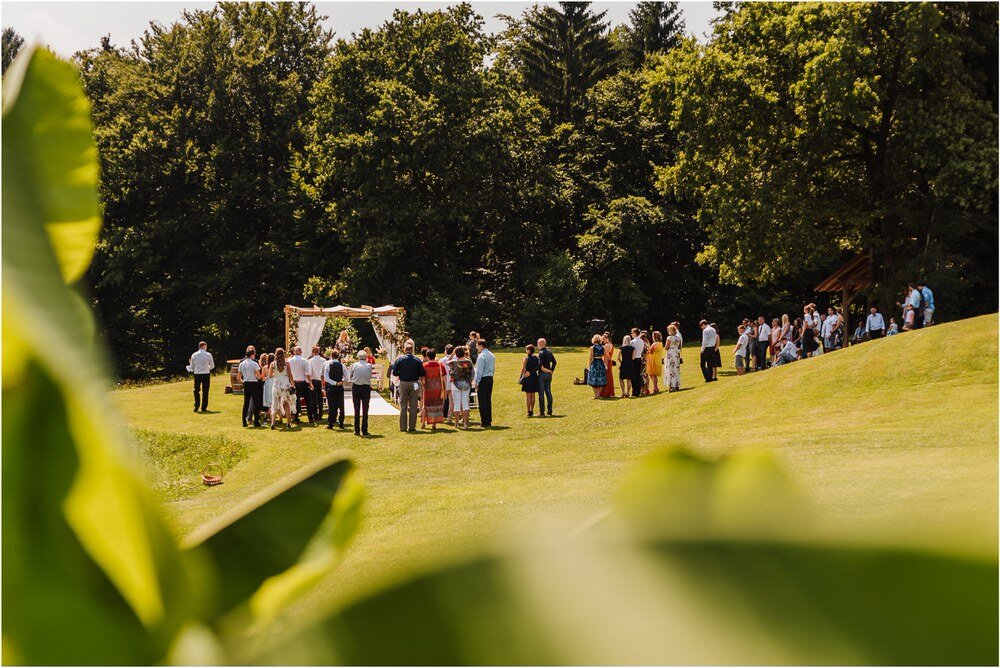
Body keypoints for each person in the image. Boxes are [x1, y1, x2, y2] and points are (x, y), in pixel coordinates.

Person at [392, 341, 426, 433]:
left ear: (404, 350)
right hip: (414, 383)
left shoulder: (400, 359)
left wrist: (401, 372)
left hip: (403, 383)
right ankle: (412, 426)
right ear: (412, 350)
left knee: (403, 405)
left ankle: (403, 427)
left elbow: (394, 372)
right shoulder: (417, 360)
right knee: (413, 405)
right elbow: (422, 373)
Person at [448, 346, 475, 429]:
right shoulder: (469, 362)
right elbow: (472, 373)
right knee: (465, 404)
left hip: (456, 384)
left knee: (456, 404)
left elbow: (447, 362)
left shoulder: (453, 362)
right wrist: (470, 380)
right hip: (466, 383)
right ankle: (466, 424)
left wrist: (452, 353)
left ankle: (456, 424)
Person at [270, 348, 296, 429]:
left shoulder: (273, 364)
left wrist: (275, 373)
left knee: (275, 403)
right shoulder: (287, 363)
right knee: (287, 403)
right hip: (285, 384)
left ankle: (272, 423)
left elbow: (270, 375)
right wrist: (293, 385)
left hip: (277, 384)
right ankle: (288, 422)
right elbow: (290, 375)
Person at [349, 349, 373, 436]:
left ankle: (356, 430)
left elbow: (350, 376)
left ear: (358, 357)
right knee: (365, 410)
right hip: (365, 388)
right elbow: (370, 376)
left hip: (356, 387)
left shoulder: (354, 365)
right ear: (365, 357)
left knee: (356, 409)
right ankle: (364, 429)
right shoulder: (369, 365)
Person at [287, 346, 313, 424]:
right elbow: (307, 373)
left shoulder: (290, 361)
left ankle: (295, 417)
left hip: (293, 382)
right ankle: (310, 417)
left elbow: (288, 373)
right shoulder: (304, 360)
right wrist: (310, 383)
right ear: (301, 352)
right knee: (308, 400)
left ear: (294, 352)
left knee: (295, 400)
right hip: (303, 382)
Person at [421, 349, 446, 430]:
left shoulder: (424, 365)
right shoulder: (440, 365)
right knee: (435, 406)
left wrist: (423, 385)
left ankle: (423, 423)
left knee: (425, 405)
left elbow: (422, 378)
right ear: (435, 355)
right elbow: (444, 377)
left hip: (428, 388)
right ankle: (434, 424)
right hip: (438, 388)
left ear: (427, 356)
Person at [238, 346, 262, 428]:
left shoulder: (242, 364)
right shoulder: (254, 363)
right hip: (253, 384)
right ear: (252, 355)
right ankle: (256, 422)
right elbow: (259, 377)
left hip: (246, 383)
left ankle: (244, 421)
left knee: (246, 403)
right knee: (256, 403)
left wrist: (243, 382)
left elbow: (238, 377)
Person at [322, 349, 346, 429]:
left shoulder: (328, 365)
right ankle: (341, 423)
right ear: (338, 356)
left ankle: (331, 423)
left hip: (331, 387)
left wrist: (334, 383)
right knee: (341, 405)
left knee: (332, 405)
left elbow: (326, 378)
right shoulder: (342, 366)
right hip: (340, 387)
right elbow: (348, 377)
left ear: (331, 356)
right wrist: (341, 381)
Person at [475, 339, 496, 427]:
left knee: (482, 400)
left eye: (477, 346)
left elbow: (479, 371)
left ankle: (484, 421)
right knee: (488, 399)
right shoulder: (492, 355)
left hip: (483, 379)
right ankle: (488, 419)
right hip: (490, 378)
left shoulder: (481, 356)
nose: (476, 348)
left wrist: (476, 382)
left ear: (481, 345)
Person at [189, 341, 215, 412]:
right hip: (206, 374)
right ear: (204, 346)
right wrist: (207, 368)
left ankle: (196, 405)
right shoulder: (208, 355)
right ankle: (204, 407)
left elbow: (192, 367)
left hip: (197, 374)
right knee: (205, 391)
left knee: (196, 390)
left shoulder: (194, 355)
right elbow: (212, 366)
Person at [536, 338, 557, 416]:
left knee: (541, 393)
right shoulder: (549, 352)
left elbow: (540, 365)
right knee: (548, 392)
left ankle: (542, 412)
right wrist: (551, 370)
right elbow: (554, 362)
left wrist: (545, 370)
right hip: (549, 375)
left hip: (542, 374)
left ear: (540, 344)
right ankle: (550, 411)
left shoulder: (541, 353)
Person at [520, 344, 540, 416]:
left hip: (527, 376)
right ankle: (532, 410)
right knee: (533, 394)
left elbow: (523, 369)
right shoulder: (536, 358)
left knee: (528, 395)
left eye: (526, 349)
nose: (525, 350)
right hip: (534, 376)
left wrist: (520, 377)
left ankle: (528, 411)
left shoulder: (526, 358)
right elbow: (538, 366)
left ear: (529, 350)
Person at [308, 345, 326, 422]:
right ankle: (320, 414)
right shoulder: (323, 360)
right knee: (320, 399)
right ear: (319, 352)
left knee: (314, 399)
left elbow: (310, 372)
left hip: (314, 380)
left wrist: (309, 382)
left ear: (312, 352)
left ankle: (315, 415)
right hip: (321, 380)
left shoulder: (310, 361)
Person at [586, 335, 607, 399]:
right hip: (601, 363)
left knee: (593, 379)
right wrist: (605, 364)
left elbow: (590, 358)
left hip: (594, 363)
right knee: (601, 379)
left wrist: (589, 366)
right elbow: (605, 357)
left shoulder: (592, 348)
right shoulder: (603, 347)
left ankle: (596, 395)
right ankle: (599, 394)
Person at [441, 344, 455, 424]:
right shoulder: (455, 359)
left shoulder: (442, 360)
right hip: (452, 382)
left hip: (444, 382)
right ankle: (449, 417)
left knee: (442, 400)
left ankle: (442, 416)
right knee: (451, 402)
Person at [664, 325, 681, 391]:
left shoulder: (669, 338)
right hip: (676, 353)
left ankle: (671, 386)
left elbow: (666, 347)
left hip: (671, 353)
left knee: (670, 369)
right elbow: (679, 346)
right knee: (676, 369)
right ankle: (676, 385)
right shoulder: (678, 338)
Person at [599, 333, 616, 398]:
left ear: (607, 338)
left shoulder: (606, 345)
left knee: (606, 377)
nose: (602, 340)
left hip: (607, 362)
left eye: (603, 339)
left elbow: (606, 355)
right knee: (609, 377)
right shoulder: (611, 345)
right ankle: (610, 392)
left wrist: (605, 364)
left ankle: (605, 393)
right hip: (609, 362)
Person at [261, 353, 274, 424]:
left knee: (269, 402)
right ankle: (279, 417)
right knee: (276, 401)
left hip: (268, 384)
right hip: (275, 384)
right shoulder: (276, 367)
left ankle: (270, 417)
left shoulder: (265, 368)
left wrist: (267, 378)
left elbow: (263, 379)